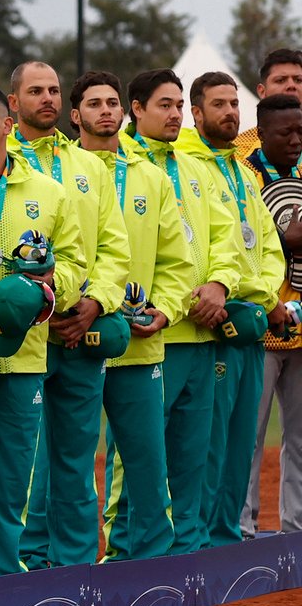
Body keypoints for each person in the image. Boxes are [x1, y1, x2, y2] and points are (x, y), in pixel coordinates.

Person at [0, 81, 84, 581]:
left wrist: (52, 288)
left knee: (11, 479)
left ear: (7, 125)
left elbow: (74, 261)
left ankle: (4, 576)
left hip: (24, 355)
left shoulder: (48, 192)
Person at [8, 61, 130, 570]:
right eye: (35, 91)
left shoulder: (89, 167)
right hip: (23, 338)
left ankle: (78, 569)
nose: (48, 99)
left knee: (77, 462)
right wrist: (36, 305)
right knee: (17, 464)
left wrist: (94, 305)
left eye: (54, 90)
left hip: (80, 335)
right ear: (13, 102)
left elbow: (113, 249)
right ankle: (23, 564)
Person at [122, 69, 239, 555]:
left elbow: (226, 237)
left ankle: (185, 555)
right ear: (137, 109)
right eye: (164, 105)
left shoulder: (197, 167)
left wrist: (218, 283)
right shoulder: (118, 165)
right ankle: (129, 551)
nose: (174, 115)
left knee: (194, 456)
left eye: (177, 106)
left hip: (203, 334)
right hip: (150, 336)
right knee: (142, 458)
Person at [72, 71, 188, 561]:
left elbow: (176, 259)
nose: (105, 110)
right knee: (69, 461)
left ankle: (147, 561)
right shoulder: (59, 171)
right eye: (94, 103)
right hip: (73, 337)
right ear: (75, 114)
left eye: (112, 103)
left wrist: (164, 310)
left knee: (145, 460)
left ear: (125, 112)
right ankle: (64, 562)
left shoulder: (150, 177)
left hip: (140, 342)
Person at [176, 72, 284, 547]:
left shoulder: (242, 171)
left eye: (234, 103)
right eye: (218, 104)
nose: (230, 112)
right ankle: (198, 537)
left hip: (246, 324)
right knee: (208, 442)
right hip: (213, 323)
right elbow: (201, 243)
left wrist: (259, 298)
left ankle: (226, 536)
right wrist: (227, 294)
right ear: (195, 113)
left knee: (241, 444)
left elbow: (267, 249)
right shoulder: (184, 165)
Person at [241, 93, 302, 535]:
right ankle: (242, 530)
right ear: (262, 134)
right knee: (249, 436)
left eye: (301, 132)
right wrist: (286, 239)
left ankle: (296, 528)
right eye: (287, 133)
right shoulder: (243, 177)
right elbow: (236, 246)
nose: (296, 140)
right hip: (261, 327)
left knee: (300, 438)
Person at [234, 48, 302, 159]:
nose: (291, 85)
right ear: (262, 91)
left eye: (298, 80)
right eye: (281, 80)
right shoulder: (239, 151)